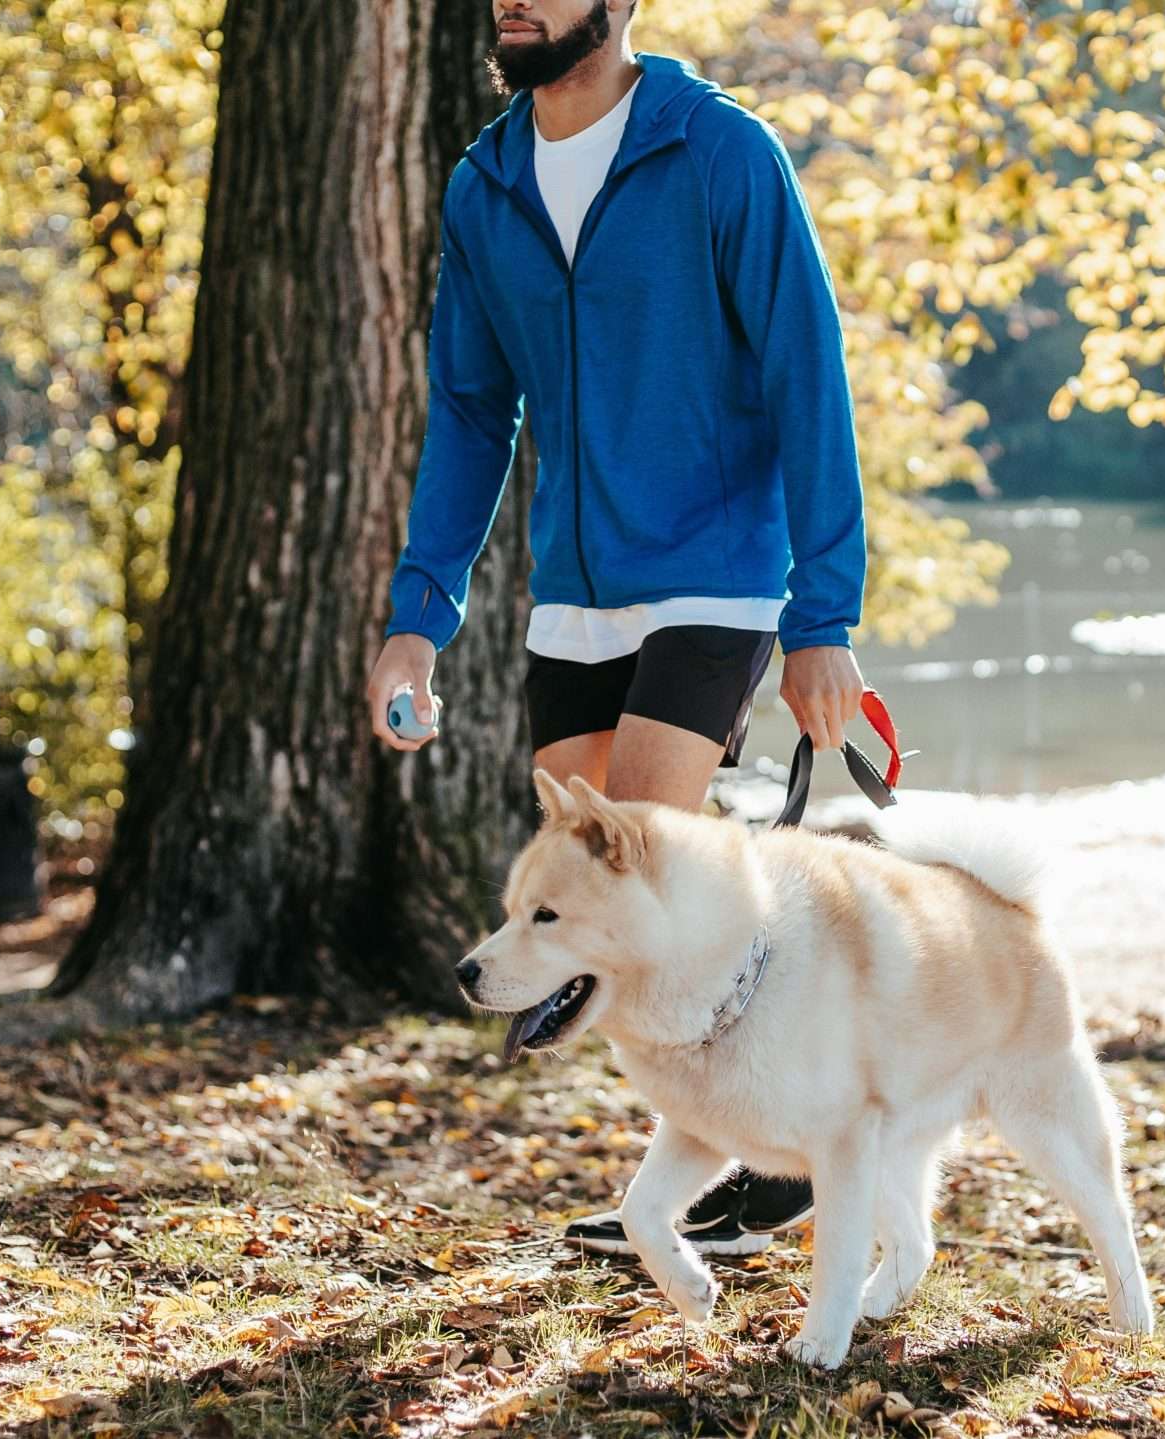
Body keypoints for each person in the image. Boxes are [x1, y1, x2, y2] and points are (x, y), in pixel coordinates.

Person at [362, 0, 866, 1256]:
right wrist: (418, 617)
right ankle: (776, 1137)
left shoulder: (717, 151)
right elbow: (473, 413)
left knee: (643, 884)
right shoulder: (486, 183)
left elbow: (808, 367)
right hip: (573, 590)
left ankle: (767, 1170)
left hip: (715, 573)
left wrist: (823, 614)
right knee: (606, 905)